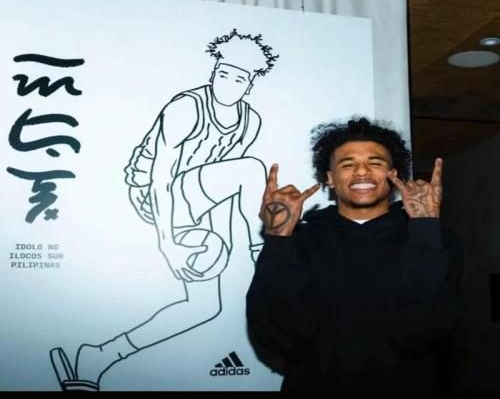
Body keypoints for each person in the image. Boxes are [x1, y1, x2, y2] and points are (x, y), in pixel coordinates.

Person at [50, 29, 279, 391]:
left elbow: (226, 188)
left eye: (238, 79)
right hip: (156, 195)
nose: (227, 83)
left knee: (203, 307)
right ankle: (262, 249)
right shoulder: (186, 107)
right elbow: (162, 177)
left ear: (249, 85)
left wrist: (219, 241)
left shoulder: (250, 121)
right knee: (252, 169)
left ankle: (98, 357)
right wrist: (169, 242)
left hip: (197, 202)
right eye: (222, 73)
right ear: (213, 72)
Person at [246, 117, 463, 391]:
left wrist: (425, 228)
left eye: (375, 163)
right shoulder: (297, 242)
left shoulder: (431, 238)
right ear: (330, 178)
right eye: (347, 164)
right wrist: (278, 239)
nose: (362, 171)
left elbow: (425, 331)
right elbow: (282, 338)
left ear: (393, 174)